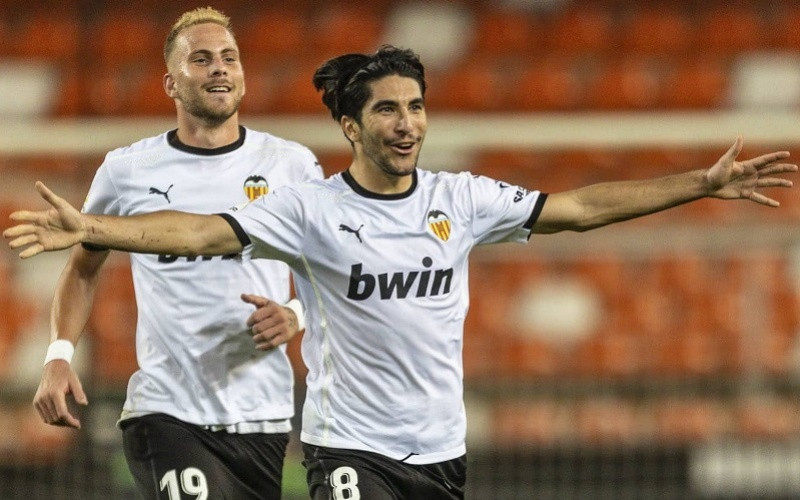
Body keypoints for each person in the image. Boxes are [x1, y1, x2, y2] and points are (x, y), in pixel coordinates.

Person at [5, 45, 796, 499]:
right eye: (387, 109)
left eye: (415, 106)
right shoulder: (309, 209)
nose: (407, 122)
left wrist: (701, 182)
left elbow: (582, 209)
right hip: (348, 449)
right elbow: (203, 232)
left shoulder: (463, 199)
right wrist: (95, 226)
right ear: (352, 126)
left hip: (440, 451)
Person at [26, 7, 322, 500]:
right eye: (202, 59)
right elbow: (82, 268)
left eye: (230, 58)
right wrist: (58, 356)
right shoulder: (126, 170)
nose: (220, 68)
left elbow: (331, 272)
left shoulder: (290, 165)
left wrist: (295, 313)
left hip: (262, 413)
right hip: (166, 410)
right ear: (170, 83)